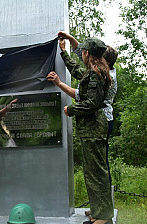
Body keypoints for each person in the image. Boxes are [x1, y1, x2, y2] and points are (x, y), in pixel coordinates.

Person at [47, 36, 114, 224]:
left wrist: (72, 110)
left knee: (96, 173)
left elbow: (92, 104)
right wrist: (63, 52)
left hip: (93, 128)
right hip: (91, 129)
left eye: (83, 51)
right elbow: (76, 71)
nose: (82, 54)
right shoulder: (94, 72)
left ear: (87, 54)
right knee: (92, 172)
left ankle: (104, 217)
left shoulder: (96, 74)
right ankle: (98, 211)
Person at [58, 32, 118, 186]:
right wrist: (70, 39)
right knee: (99, 166)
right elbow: (81, 53)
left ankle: (103, 205)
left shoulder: (100, 75)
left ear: (103, 60)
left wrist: (59, 84)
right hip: (100, 122)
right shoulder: (100, 69)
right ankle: (101, 206)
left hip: (100, 122)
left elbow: (81, 96)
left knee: (98, 167)